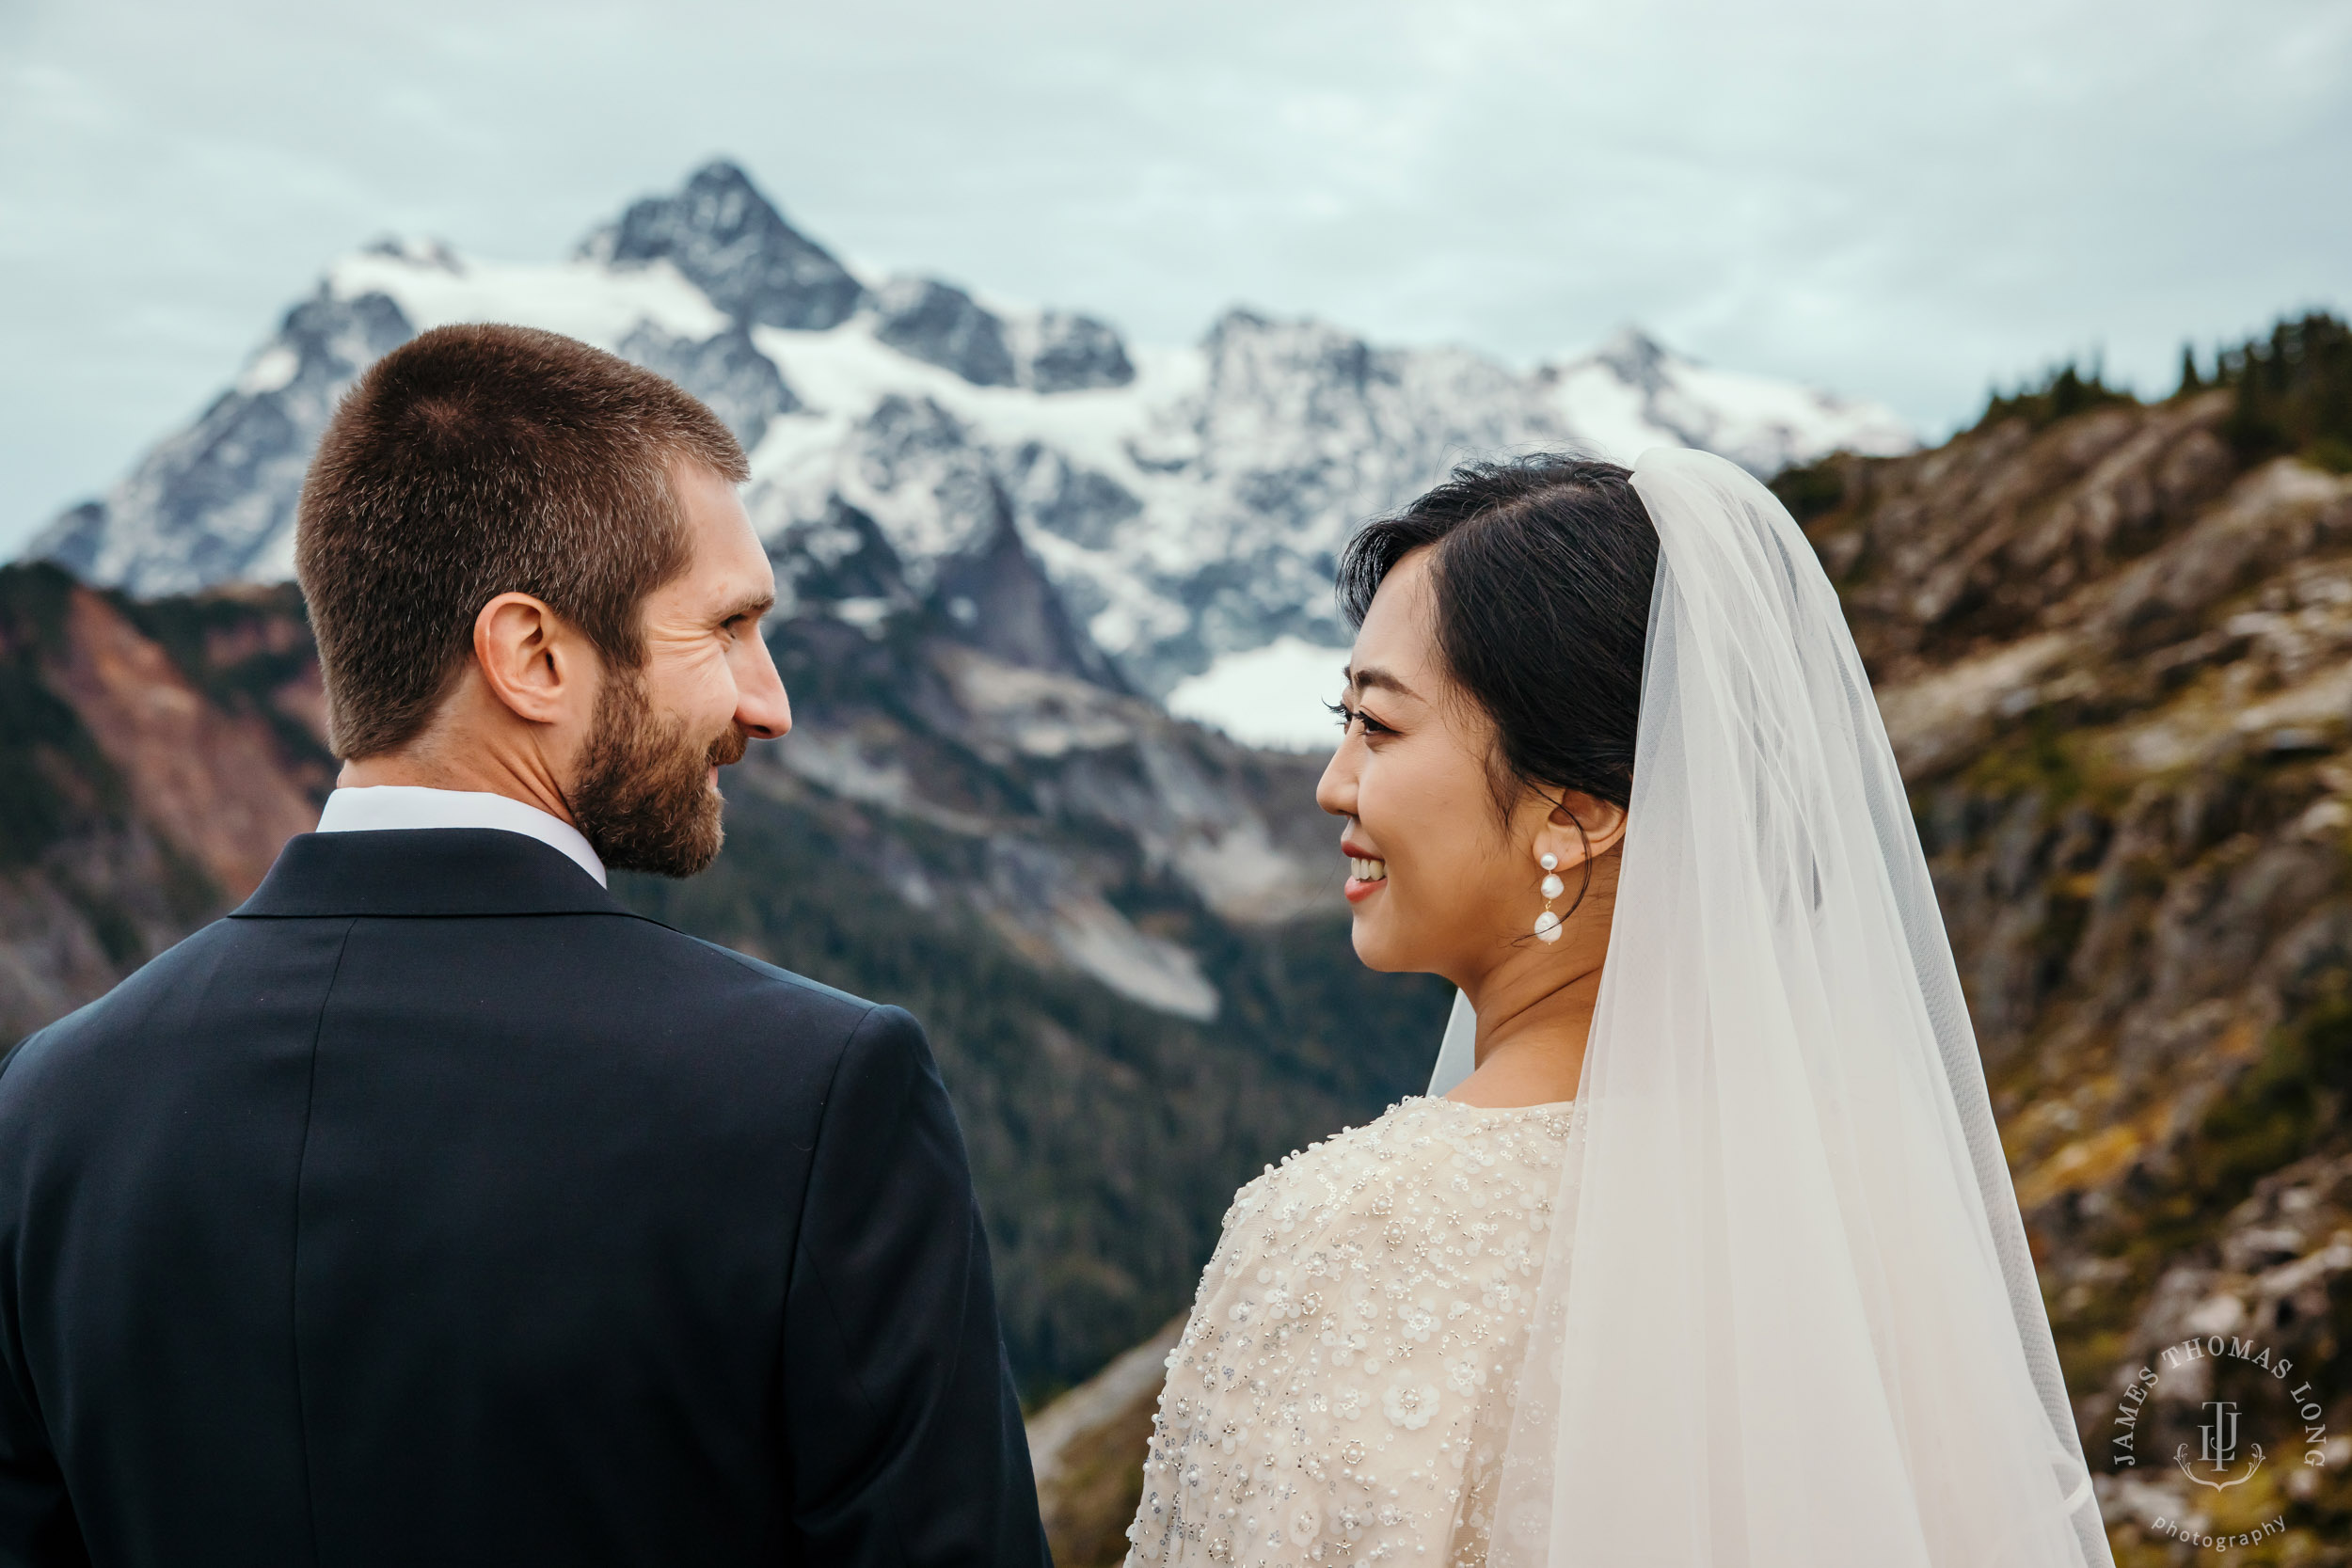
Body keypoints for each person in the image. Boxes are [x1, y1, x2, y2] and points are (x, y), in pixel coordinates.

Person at [0, 325, 1051, 1567]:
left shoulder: (54, 1103)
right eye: (726, 627)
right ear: (533, 654)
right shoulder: (819, 1096)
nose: (767, 701)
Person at [1125, 451, 2113, 1566]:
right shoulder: (1865, 1223)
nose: (1332, 781)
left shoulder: (1347, 1231)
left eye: (1379, 726)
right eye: (1341, 717)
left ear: (1577, 811)